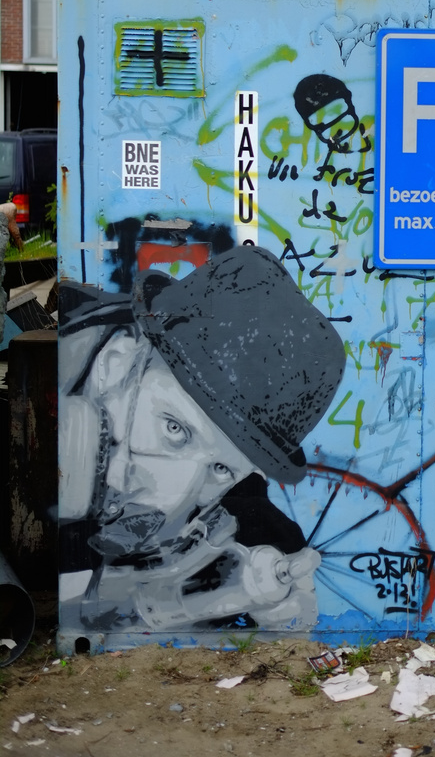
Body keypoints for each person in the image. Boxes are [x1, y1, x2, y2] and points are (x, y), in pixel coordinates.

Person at [58, 245, 346, 633]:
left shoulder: (227, 500)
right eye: (174, 429)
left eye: (220, 469)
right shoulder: (48, 392)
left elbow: (276, 552)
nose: (173, 497)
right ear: (115, 365)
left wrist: (290, 609)